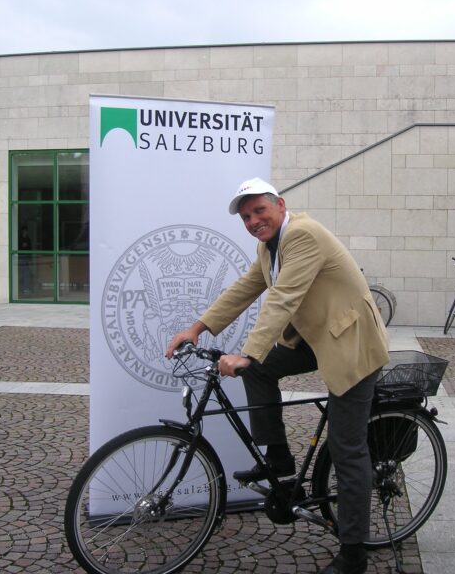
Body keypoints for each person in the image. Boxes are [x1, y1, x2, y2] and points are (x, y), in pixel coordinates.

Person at [166, 177, 390, 574]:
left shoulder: (303, 235)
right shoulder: (268, 246)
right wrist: (198, 327)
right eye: (246, 216)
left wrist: (246, 352)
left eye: (259, 211)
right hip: (314, 335)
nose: (253, 220)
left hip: (352, 341)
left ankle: (353, 553)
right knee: (261, 370)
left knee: (347, 449)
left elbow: (283, 297)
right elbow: (245, 288)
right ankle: (280, 456)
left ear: (280, 205)